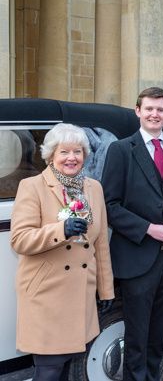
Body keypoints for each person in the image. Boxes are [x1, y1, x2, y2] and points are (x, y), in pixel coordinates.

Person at [101, 87, 163, 381]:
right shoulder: (121, 150)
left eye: (160, 110)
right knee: (137, 338)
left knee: (159, 338)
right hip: (136, 257)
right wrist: (147, 228)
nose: (155, 114)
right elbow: (109, 205)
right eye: (149, 109)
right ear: (138, 111)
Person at [10, 123, 114, 381]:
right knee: (49, 370)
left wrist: (106, 289)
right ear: (51, 155)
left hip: (82, 295)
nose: (71, 158)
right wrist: (61, 230)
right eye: (64, 152)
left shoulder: (93, 188)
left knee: (72, 369)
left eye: (77, 151)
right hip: (48, 296)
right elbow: (20, 240)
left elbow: (100, 244)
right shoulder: (32, 186)